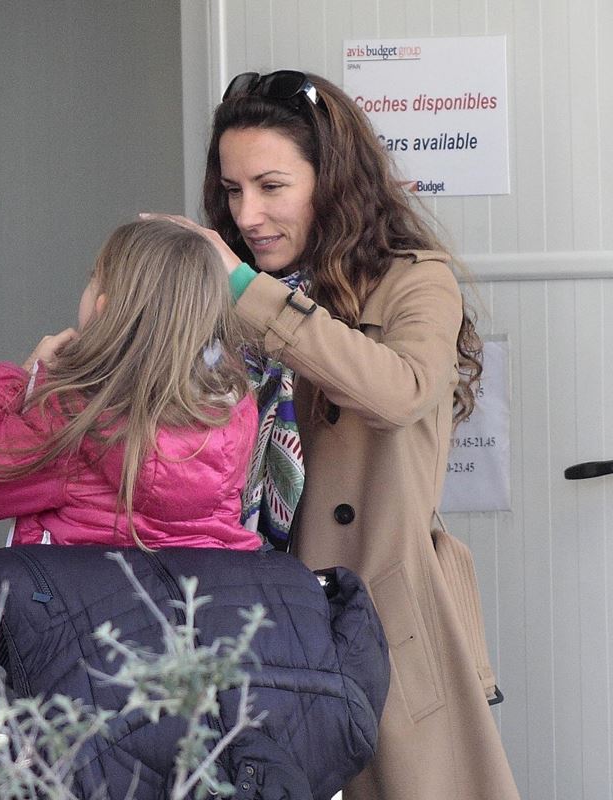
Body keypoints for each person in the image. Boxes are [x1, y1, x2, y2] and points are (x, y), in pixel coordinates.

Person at [150, 70, 518, 798]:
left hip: (376, 623)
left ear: (332, 181)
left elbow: (399, 391)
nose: (247, 214)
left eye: (271, 186)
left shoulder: (413, 282)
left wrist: (249, 296)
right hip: (241, 621)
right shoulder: (228, 297)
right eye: (231, 190)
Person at [0, 218, 260, 552]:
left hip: (86, 606)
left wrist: (19, 377)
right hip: (194, 603)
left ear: (103, 309)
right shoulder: (236, 409)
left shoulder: (76, 415)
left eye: (91, 279)